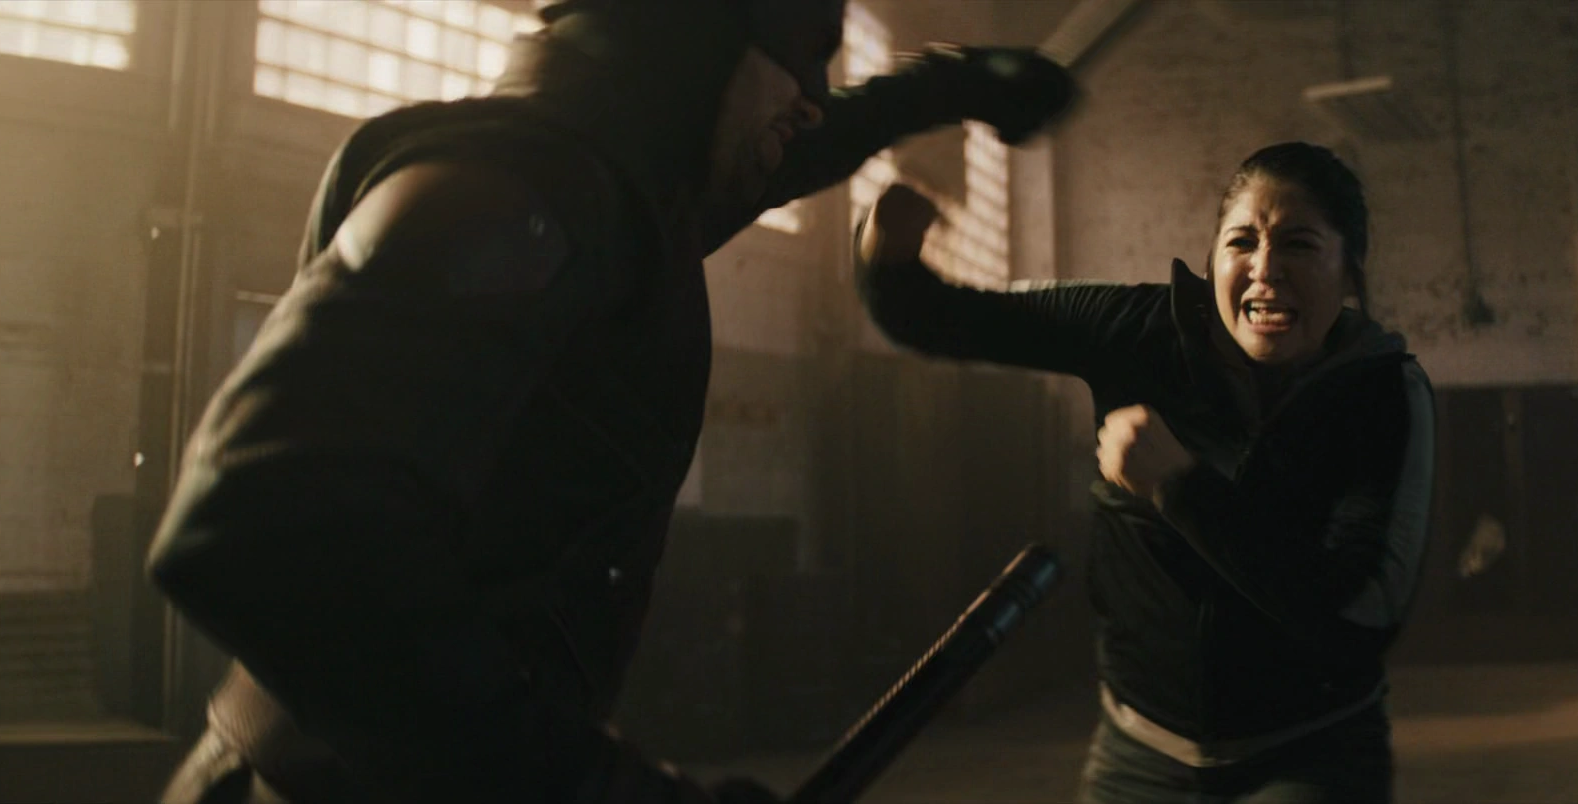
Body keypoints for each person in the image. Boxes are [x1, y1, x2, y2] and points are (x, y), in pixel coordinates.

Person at [144, 1, 1077, 802]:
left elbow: (795, 146)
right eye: (795, 54)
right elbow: (265, 524)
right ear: (691, 39)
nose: (812, 98)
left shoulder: (621, 199)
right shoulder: (510, 189)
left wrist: (948, 87)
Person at [856, 142, 1435, 804]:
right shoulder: (1132, 329)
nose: (1264, 268)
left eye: (1299, 244)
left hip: (1312, 752)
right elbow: (935, 316)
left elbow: (1359, 616)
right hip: (1141, 753)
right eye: (1241, 241)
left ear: (1350, 274)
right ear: (1212, 259)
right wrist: (887, 241)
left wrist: (1178, 487)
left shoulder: (1383, 394)